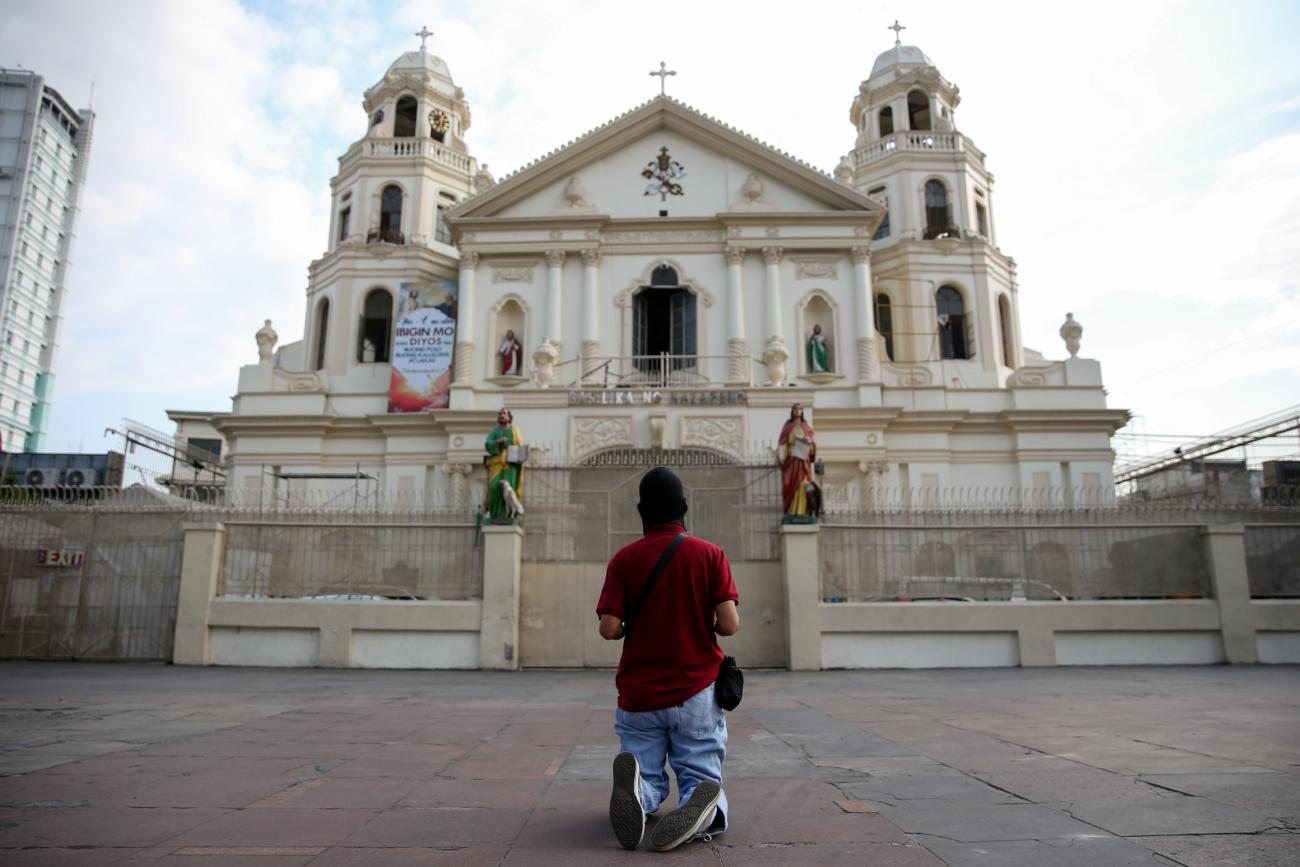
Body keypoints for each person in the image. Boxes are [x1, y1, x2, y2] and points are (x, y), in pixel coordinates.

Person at [596, 467, 740, 852]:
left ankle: (640, 794)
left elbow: (609, 628)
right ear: (684, 508)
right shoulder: (710, 554)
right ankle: (701, 806)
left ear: (641, 511)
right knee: (700, 774)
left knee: (645, 768)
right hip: (695, 689)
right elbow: (729, 625)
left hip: (640, 693)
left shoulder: (624, 560)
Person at [484, 408, 524, 521]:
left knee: (509, 490)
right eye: (500, 414)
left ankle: (509, 514)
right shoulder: (495, 431)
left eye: (504, 414)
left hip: (511, 465)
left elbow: (520, 446)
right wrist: (498, 441)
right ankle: (495, 515)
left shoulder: (515, 430)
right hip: (496, 464)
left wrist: (520, 459)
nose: (502, 415)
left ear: (509, 417)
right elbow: (488, 444)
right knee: (494, 487)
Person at [779, 403, 818, 518]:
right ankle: (791, 511)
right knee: (788, 483)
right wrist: (784, 452)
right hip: (791, 460)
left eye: (800, 409)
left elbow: (813, 443)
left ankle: (802, 511)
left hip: (803, 461)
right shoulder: (787, 426)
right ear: (792, 411)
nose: (797, 411)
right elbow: (783, 443)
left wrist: (809, 443)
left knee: (802, 485)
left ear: (802, 411)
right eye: (795, 409)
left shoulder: (806, 426)